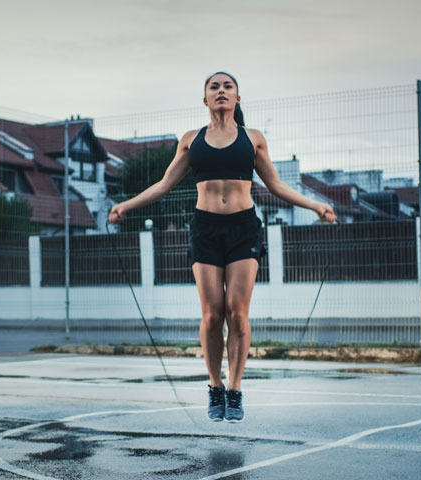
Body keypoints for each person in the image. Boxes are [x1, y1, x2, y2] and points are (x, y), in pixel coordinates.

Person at [109, 72, 336, 423]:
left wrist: (315, 206)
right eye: (213, 87)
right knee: (213, 313)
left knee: (237, 312)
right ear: (205, 100)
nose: (220, 91)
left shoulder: (253, 139)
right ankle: (215, 387)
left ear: (237, 99)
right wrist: (126, 205)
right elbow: (164, 184)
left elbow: (275, 185)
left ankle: (235, 387)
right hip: (205, 229)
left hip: (244, 229)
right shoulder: (190, 140)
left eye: (227, 86)